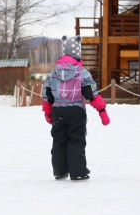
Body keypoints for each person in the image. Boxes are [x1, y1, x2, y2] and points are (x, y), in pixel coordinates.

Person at [42, 35, 110, 181]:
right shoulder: (82, 74)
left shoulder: (52, 74)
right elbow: (92, 95)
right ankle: (78, 171)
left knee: (59, 141)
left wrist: (48, 113)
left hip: (58, 110)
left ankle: (59, 171)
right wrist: (102, 111)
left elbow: (47, 96)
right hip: (76, 111)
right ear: (78, 54)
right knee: (76, 140)